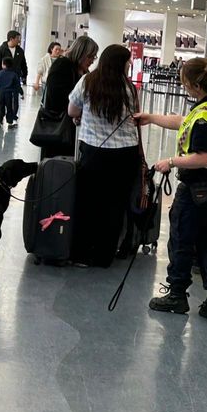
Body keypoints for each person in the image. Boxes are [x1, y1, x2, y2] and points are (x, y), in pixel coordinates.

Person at [139, 55, 207, 322]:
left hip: (202, 188)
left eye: (184, 82)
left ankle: (177, 295)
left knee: (183, 239)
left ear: (194, 85)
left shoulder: (206, 117)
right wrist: (152, 118)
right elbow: (186, 122)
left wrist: (169, 162)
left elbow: (204, 157)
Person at [67, 45, 141, 268]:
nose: (130, 65)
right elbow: (136, 117)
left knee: (87, 202)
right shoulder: (129, 88)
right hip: (125, 154)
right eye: (128, 61)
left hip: (94, 152)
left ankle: (80, 253)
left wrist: (82, 118)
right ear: (121, 63)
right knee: (115, 205)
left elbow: (72, 110)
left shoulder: (88, 81)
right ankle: (104, 256)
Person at [42, 36, 99, 158]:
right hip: (59, 127)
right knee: (57, 164)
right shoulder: (62, 65)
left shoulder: (84, 71)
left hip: (73, 128)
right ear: (81, 53)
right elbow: (56, 97)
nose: (92, 60)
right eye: (90, 56)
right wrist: (76, 110)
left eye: (94, 57)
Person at [0, 56, 23, 129]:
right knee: (10, 108)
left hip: (0, 93)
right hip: (9, 94)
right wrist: (21, 93)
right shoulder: (14, 74)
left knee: (0, 107)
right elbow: (17, 85)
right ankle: (10, 122)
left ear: (3, 65)